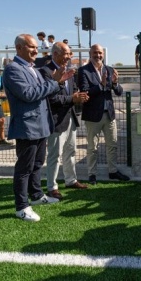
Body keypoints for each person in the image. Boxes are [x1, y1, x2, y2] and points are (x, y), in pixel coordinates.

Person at [3, 34, 72, 222]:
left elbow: (45, 93)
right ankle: (21, 207)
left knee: (37, 163)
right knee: (24, 168)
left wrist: (57, 83)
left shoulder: (33, 68)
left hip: (41, 125)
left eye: (35, 47)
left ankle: (36, 195)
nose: (36, 50)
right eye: (31, 47)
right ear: (19, 48)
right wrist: (54, 83)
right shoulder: (12, 69)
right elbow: (29, 94)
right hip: (27, 126)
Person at [43, 42, 90, 199]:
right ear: (55, 54)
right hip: (56, 121)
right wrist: (73, 98)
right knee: (54, 155)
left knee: (70, 151)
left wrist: (78, 95)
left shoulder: (69, 71)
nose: (69, 56)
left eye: (70, 54)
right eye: (66, 53)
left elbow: (72, 90)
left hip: (70, 118)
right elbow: (51, 98)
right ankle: (52, 187)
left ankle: (71, 180)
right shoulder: (46, 71)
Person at [78, 44, 130, 184]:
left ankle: (113, 171)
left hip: (109, 115)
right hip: (93, 116)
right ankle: (92, 174)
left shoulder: (110, 69)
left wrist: (115, 83)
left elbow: (119, 92)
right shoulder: (83, 71)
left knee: (112, 145)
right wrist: (101, 85)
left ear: (103, 54)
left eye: (100, 53)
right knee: (92, 147)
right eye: (95, 53)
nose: (98, 55)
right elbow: (85, 92)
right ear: (90, 53)